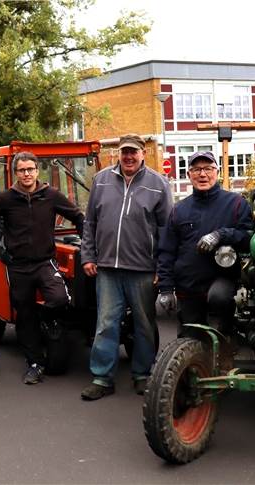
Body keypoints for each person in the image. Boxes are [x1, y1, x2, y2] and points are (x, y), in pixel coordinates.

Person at [0, 151, 84, 385]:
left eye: (30, 169)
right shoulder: (6, 198)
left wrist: (87, 244)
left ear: (37, 170)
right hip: (17, 266)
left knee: (59, 298)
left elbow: (78, 216)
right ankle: (34, 364)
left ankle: (44, 318)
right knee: (24, 317)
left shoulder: (51, 195)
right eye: (22, 170)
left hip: (45, 262)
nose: (26, 173)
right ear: (16, 173)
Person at [80, 134, 173, 400]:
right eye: (124, 152)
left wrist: (161, 267)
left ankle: (142, 374)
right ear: (118, 154)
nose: (129, 157)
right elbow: (91, 223)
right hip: (107, 267)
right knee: (106, 324)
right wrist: (88, 256)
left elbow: (167, 230)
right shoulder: (102, 180)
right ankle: (102, 377)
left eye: (134, 152)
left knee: (144, 324)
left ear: (143, 153)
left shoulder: (158, 184)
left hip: (143, 268)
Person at [155, 151, 254, 341]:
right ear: (189, 175)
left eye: (208, 168)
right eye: (197, 169)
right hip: (188, 289)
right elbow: (166, 251)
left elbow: (248, 237)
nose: (203, 174)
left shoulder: (235, 204)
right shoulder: (179, 210)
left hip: (221, 282)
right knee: (189, 342)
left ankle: (225, 350)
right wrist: (165, 289)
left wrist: (221, 235)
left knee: (220, 327)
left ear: (217, 172)